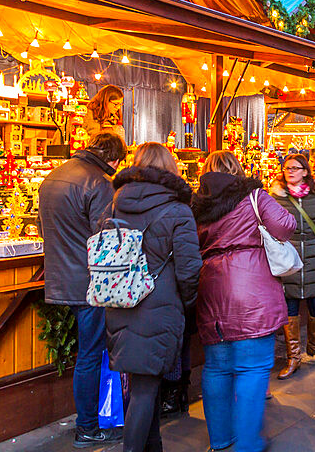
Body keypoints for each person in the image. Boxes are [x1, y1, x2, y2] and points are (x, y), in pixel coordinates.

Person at [193, 150, 297, 452]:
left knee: (216, 367)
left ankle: (221, 441)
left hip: (210, 286)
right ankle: (248, 443)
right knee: (252, 367)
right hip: (252, 287)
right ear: (237, 169)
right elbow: (285, 225)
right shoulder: (254, 195)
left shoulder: (196, 204)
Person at [102, 143, 202, 452]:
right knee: (146, 390)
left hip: (120, 301)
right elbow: (189, 269)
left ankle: (152, 447)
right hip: (159, 304)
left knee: (144, 384)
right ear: (170, 168)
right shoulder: (179, 210)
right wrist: (186, 303)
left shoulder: (116, 203)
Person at [38, 132, 127, 448]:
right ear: (113, 159)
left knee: (85, 355)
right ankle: (88, 427)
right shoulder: (98, 183)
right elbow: (105, 238)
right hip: (90, 283)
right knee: (91, 355)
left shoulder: (53, 176)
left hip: (62, 278)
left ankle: (89, 423)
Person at [271, 154, 315, 379]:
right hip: (287, 257)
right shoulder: (276, 196)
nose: (290, 171)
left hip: (314, 256)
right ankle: (294, 356)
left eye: (295, 168)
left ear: (305, 171)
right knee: (290, 307)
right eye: (287, 168)